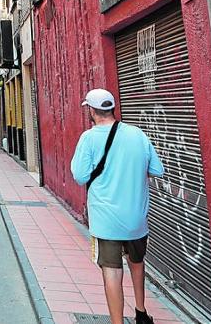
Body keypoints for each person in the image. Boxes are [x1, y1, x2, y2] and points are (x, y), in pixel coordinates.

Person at [71, 88, 164, 324]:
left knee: (111, 271)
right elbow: (156, 170)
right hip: (136, 218)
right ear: (112, 108)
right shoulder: (137, 134)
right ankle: (141, 313)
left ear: (91, 111)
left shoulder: (88, 138)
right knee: (137, 262)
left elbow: (80, 176)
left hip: (106, 220)